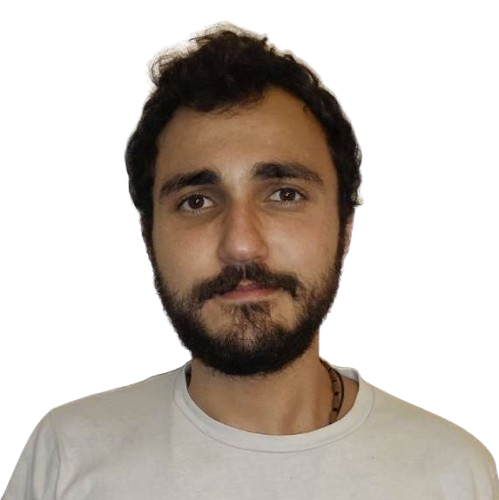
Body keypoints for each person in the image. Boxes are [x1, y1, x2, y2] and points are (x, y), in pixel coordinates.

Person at [3, 21, 497, 500]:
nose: (241, 245)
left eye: (284, 194)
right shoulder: (67, 455)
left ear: (345, 224)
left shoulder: (451, 472)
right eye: (197, 201)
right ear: (148, 236)